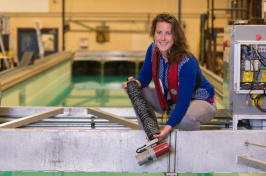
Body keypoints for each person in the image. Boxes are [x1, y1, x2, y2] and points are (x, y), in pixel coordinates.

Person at [121, 13, 217, 141]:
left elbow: (183, 103)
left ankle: (196, 144)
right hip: (174, 100)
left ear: (176, 36)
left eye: (168, 33)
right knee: (138, 92)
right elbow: (145, 76)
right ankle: (150, 135)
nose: (163, 38)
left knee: (186, 119)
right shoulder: (153, 50)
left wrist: (166, 130)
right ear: (153, 34)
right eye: (159, 32)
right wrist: (135, 84)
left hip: (201, 102)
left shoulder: (187, 62)